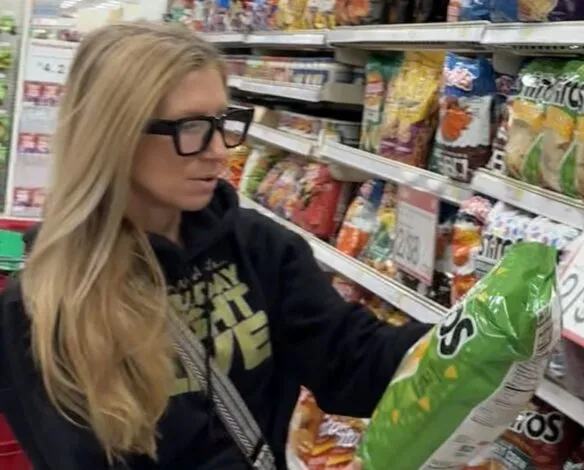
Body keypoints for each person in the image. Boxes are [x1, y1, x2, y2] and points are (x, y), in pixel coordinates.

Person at [0, 21, 429, 470]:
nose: (220, 151)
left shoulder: (257, 246)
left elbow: (352, 362)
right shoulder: (44, 304)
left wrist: (481, 330)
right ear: (115, 135)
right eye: (192, 127)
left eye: (222, 123)